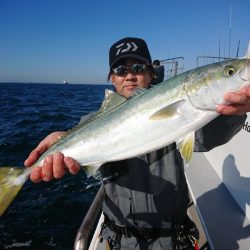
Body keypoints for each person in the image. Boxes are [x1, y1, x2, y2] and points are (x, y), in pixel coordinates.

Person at [25, 37, 250, 249]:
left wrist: (236, 112)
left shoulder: (188, 117)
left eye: (139, 68)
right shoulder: (90, 122)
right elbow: (83, 138)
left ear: (151, 73)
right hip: (119, 240)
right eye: (121, 70)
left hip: (171, 239)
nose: (130, 75)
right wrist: (61, 140)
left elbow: (209, 136)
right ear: (112, 78)